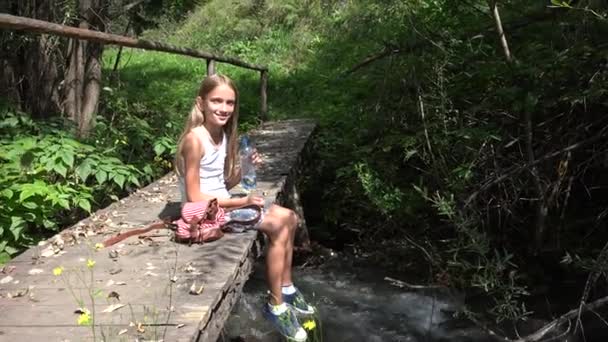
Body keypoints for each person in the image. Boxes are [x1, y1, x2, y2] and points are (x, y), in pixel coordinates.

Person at [175, 74, 314, 342]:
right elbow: (194, 196)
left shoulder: (222, 134)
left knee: (291, 217)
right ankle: (276, 306)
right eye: (216, 101)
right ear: (200, 102)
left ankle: (286, 287)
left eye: (230, 103)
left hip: (222, 204)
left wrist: (246, 168)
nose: (224, 108)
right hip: (206, 214)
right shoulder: (195, 139)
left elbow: (222, 183)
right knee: (277, 225)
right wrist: (242, 201)